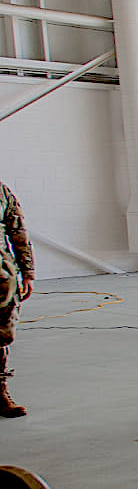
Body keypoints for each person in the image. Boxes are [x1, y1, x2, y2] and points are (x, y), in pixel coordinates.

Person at [0, 179, 33, 418]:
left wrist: (27, 271)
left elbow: (17, 230)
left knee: (1, 335)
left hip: (1, 277)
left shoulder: (1, 191)